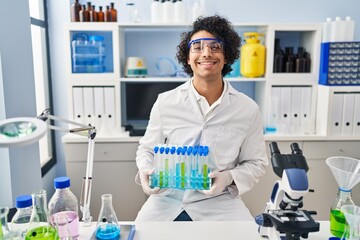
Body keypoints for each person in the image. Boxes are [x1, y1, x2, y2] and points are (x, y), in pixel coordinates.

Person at [134, 15, 268, 221]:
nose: (206, 53)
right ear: (188, 58)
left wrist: (228, 178)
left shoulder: (247, 109)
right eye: (197, 47)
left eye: (215, 47)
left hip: (220, 202)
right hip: (166, 199)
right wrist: (145, 169)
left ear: (226, 56)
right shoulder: (165, 102)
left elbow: (255, 162)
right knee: (141, 234)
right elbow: (147, 149)